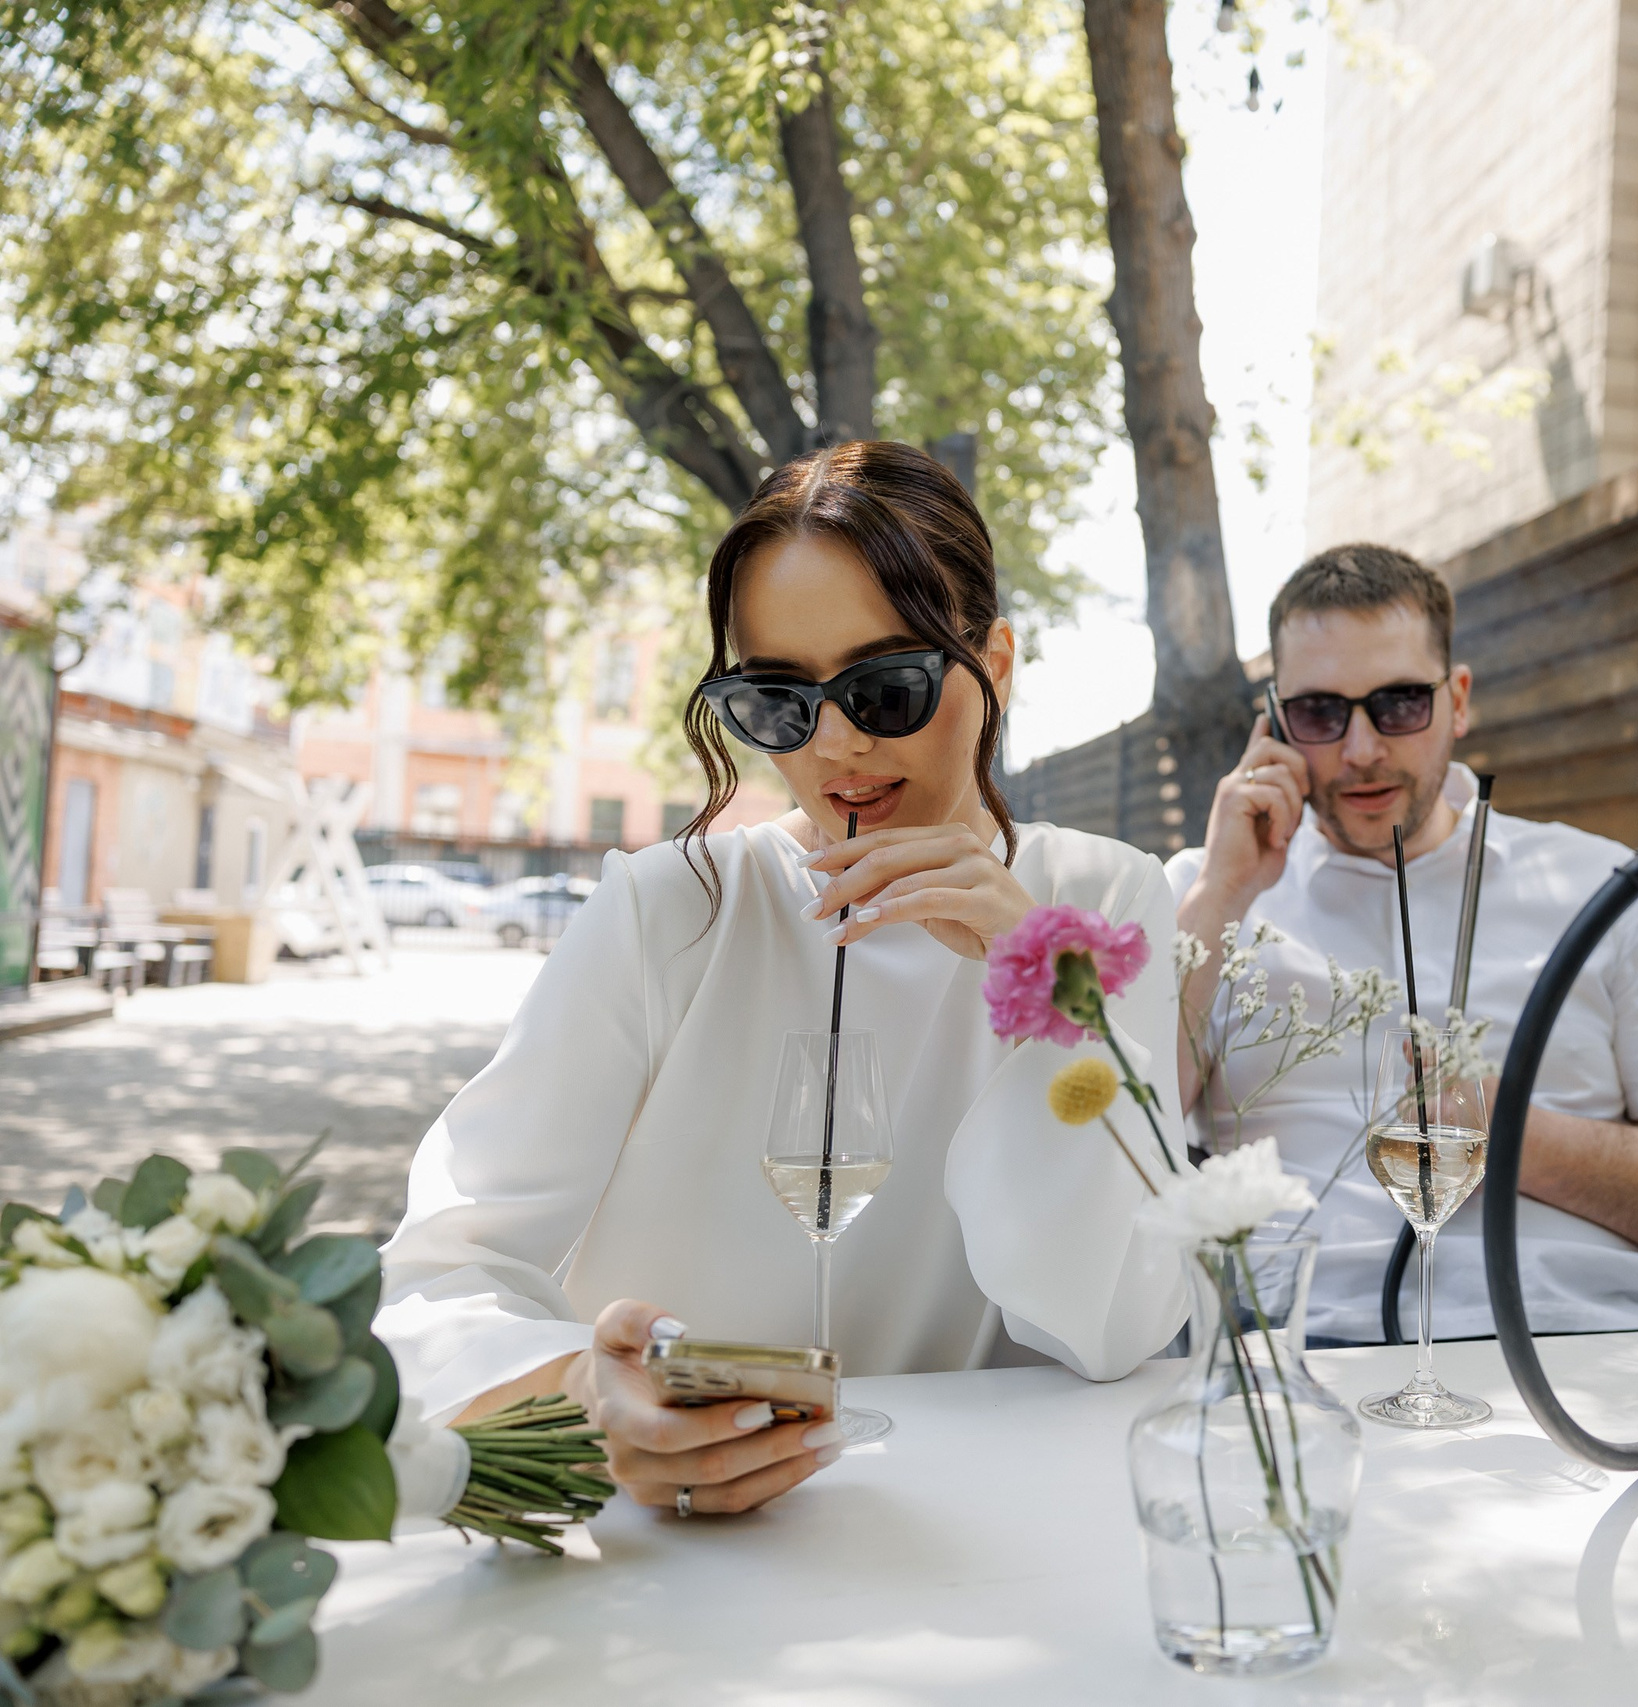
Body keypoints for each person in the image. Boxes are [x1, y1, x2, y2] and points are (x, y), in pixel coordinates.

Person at [377, 442, 1185, 1517]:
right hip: (690, 1536)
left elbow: (1115, 1323)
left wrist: (1043, 988)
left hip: (983, 1531)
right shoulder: (669, 908)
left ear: (993, 664)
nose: (837, 745)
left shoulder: (1102, 899)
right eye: (777, 703)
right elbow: (436, 1273)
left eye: (886, 687)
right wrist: (588, 1395)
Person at [1167, 544, 1638, 1345]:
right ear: (1275, 721)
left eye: (1399, 703)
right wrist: (1223, 893)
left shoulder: (1605, 886)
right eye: (1320, 712)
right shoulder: (1202, 890)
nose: (1360, 748)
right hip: (1291, 1360)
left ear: (1458, 700)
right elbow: (1105, 1133)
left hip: (1581, 1345)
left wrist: (1510, 1135)